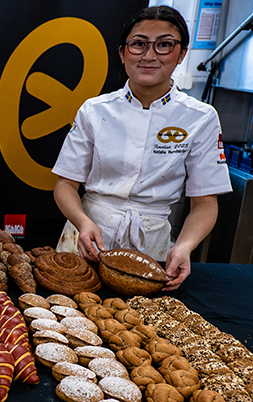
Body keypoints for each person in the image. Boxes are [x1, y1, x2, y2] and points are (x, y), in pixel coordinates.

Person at [51, 5, 232, 291]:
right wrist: (82, 222)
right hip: (87, 237)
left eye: (164, 45)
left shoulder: (201, 117)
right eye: (138, 44)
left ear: (181, 54)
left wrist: (184, 246)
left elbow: (205, 203)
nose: (149, 56)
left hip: (152, 245)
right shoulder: (94, 110)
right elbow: (65, 185)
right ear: (123, 53)